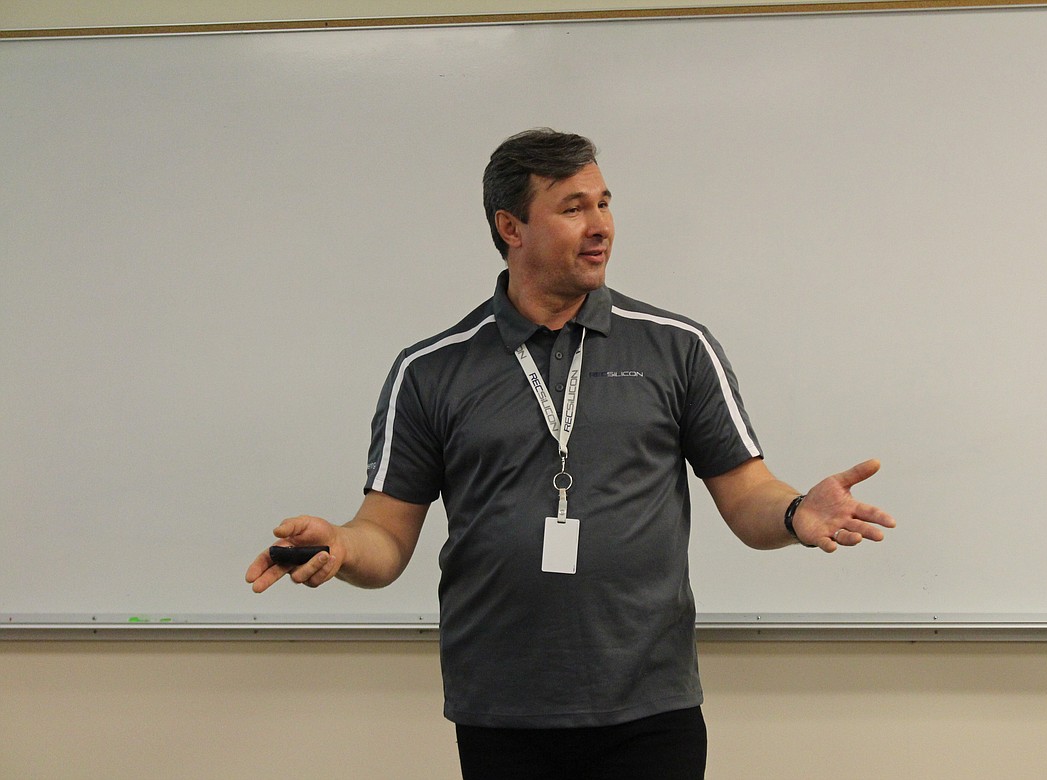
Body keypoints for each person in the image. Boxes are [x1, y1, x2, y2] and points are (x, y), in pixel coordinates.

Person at [246, 128, 895, 780]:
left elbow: (748, 492)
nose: (600, 226)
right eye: (573, 208)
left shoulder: (678, 348)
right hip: (503, 711)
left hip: (649, 706)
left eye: (604, 203)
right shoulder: (431, 370)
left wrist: (794, 515)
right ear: (511, 227)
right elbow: (384, 534)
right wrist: (343, 546)